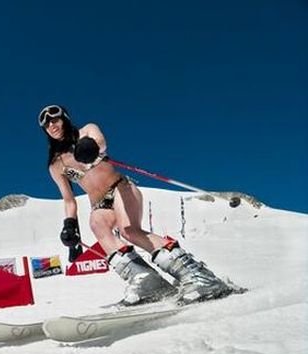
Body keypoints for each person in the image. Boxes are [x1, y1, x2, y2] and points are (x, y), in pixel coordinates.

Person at [38, 104, 231, 305]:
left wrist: (91, 147)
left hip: (120, 188)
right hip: (100, 204)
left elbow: (101, 143)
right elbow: (69, 200)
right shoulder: (56, 165)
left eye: (55, 119)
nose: (52, 125)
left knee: (129, 231)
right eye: (46, 124)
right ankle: (147, 282)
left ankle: (199, 277)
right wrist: (69, 225)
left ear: (65, 119)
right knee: (97, 224)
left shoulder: (86, 131)